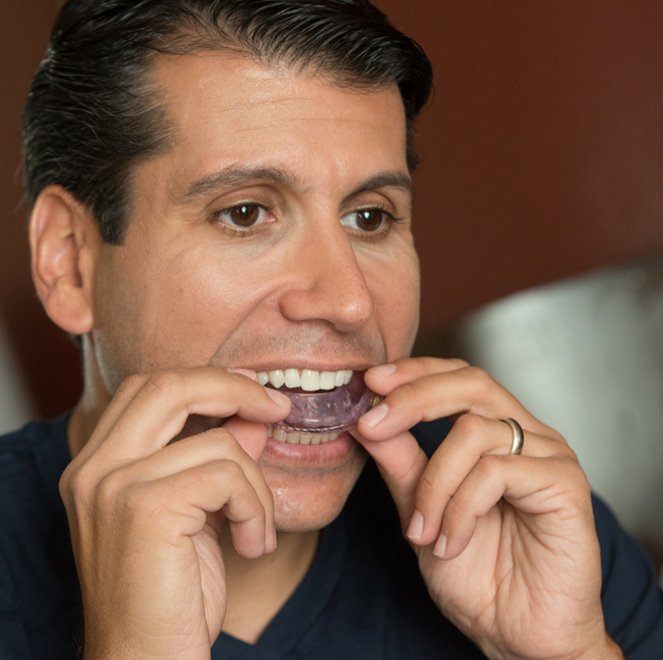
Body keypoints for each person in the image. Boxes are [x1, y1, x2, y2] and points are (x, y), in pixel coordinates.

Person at [3, 0, 662, 657]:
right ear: (71, 263)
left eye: (370, 217)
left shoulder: (515, 516)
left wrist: (568, 653)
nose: (347, 302)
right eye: (244, 213)